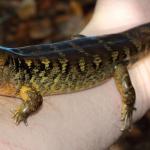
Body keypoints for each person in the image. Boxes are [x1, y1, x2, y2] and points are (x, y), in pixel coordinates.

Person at [0, 0, 149, 149]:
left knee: (119, 68)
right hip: (97, 45)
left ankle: (130, 101)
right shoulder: (15, 72)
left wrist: (22, 113)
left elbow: (35, 100)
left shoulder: (21, 84)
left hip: (115, 59)